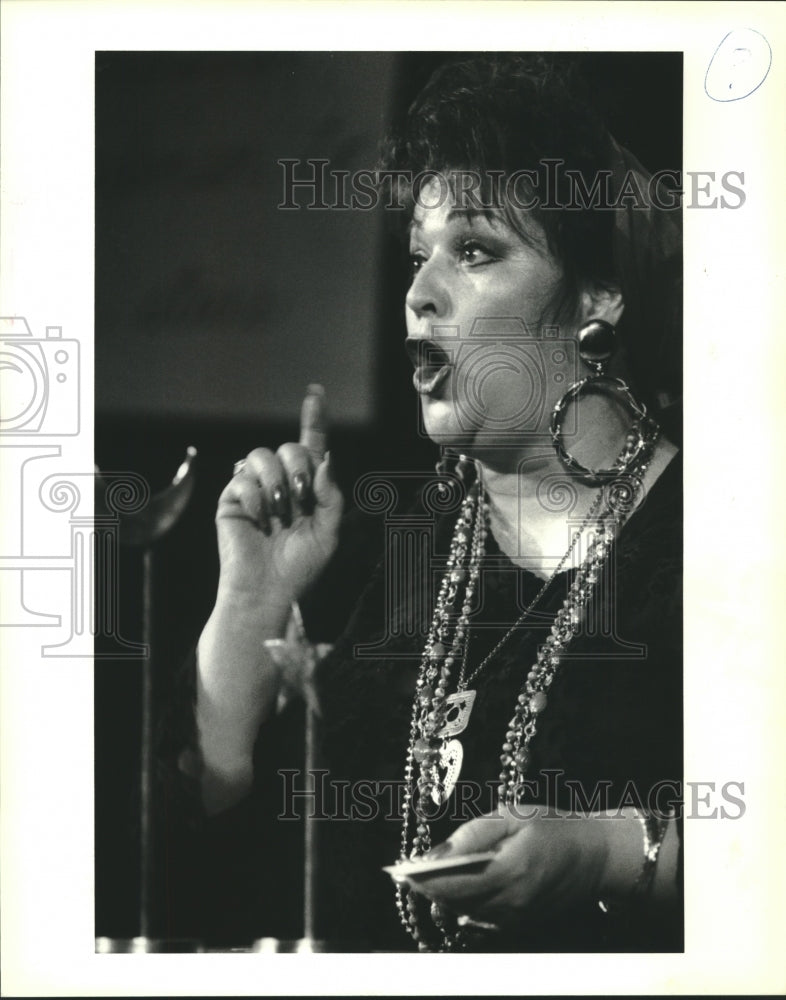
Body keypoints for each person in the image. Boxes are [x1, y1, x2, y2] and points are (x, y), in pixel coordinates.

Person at [159, 54, 682, 952]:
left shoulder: (722, 537)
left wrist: (601, 853)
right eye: (416, 256)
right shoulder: (382, 547)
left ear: (597, 295)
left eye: (474, 252)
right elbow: (200, 838)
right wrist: (250, 606)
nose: (418, 294)